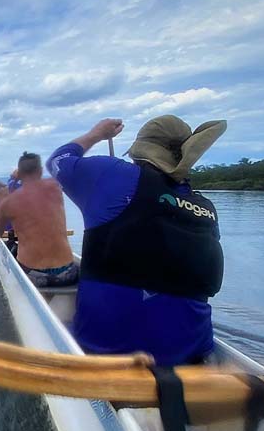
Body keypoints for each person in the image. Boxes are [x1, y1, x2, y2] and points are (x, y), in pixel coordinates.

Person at [46, 116, 226, 366]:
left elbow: (57, 160)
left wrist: (96, 134)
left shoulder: (112, 174)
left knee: (64, 300)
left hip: (108, 351)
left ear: (140, 150)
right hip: (190, 354)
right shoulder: (206, 208)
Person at [0, 152, 78, 287]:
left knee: (13, 248)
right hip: (68, 273)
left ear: (20, 174)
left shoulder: (8, 203)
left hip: (33, 276)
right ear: (41, 171)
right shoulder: (55, 187)